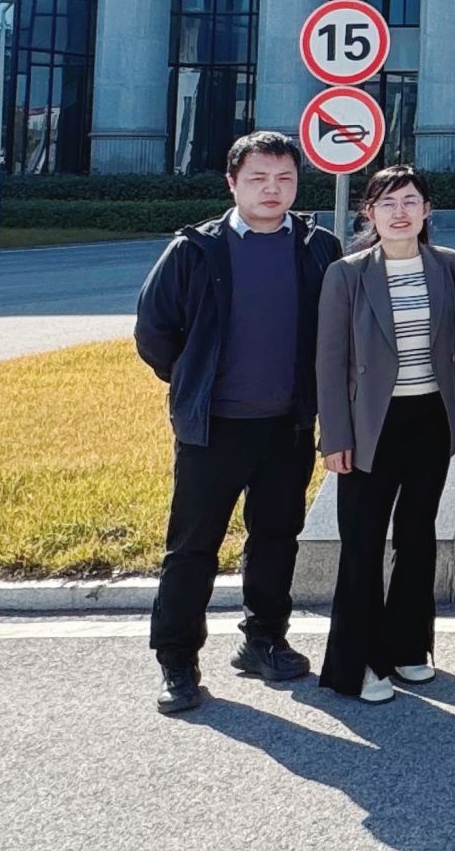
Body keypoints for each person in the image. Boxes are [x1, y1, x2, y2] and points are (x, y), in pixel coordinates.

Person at [135, 132, 342, 715]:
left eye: (284, 178)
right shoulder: (195, 250)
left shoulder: (317, 247)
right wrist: (193, 377)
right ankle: (178, 661)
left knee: (275, 539)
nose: (272, 190)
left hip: (287, 426)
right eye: (258, 178)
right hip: (213, 428)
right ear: (232, 183)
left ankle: (264, 640)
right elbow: (153, 330)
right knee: (192, 548)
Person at [315, 166, 455, 703]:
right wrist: (334, 436)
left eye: (410, 201)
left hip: (430, 419)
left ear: (427, 210)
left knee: (417, 537)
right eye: (387, 203)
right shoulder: (347, 274)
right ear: (370, 213)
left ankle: (409, 647)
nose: (400, 212)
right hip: (369, 425)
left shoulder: (449, 266)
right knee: (362, 543)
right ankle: (361, 662)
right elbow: (329, 363)